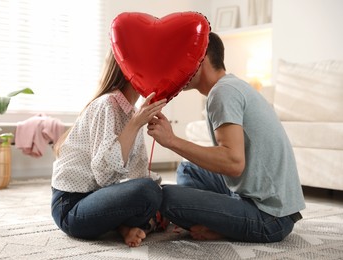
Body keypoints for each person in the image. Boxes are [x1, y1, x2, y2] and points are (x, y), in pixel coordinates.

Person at [147, 32, 306, 243]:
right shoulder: (230, 85)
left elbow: (233, 163)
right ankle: (226, 219)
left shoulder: (222, 93)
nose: (177, 69)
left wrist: (172, 141)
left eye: (182, 61)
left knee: (165, 197)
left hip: (270, 217)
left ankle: (226, 226)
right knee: (188, 170)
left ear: (200, 59)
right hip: (272, 205)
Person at [51, 50, 167, 247]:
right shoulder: (107, 105)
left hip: (97, 198)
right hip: (70, 207)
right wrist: (134, 124)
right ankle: (129, 225)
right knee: (148, 192)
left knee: (159, 192)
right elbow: (104, 176)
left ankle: (125, 227)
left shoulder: (133, 113)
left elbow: (139, 171)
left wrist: (162, 195)